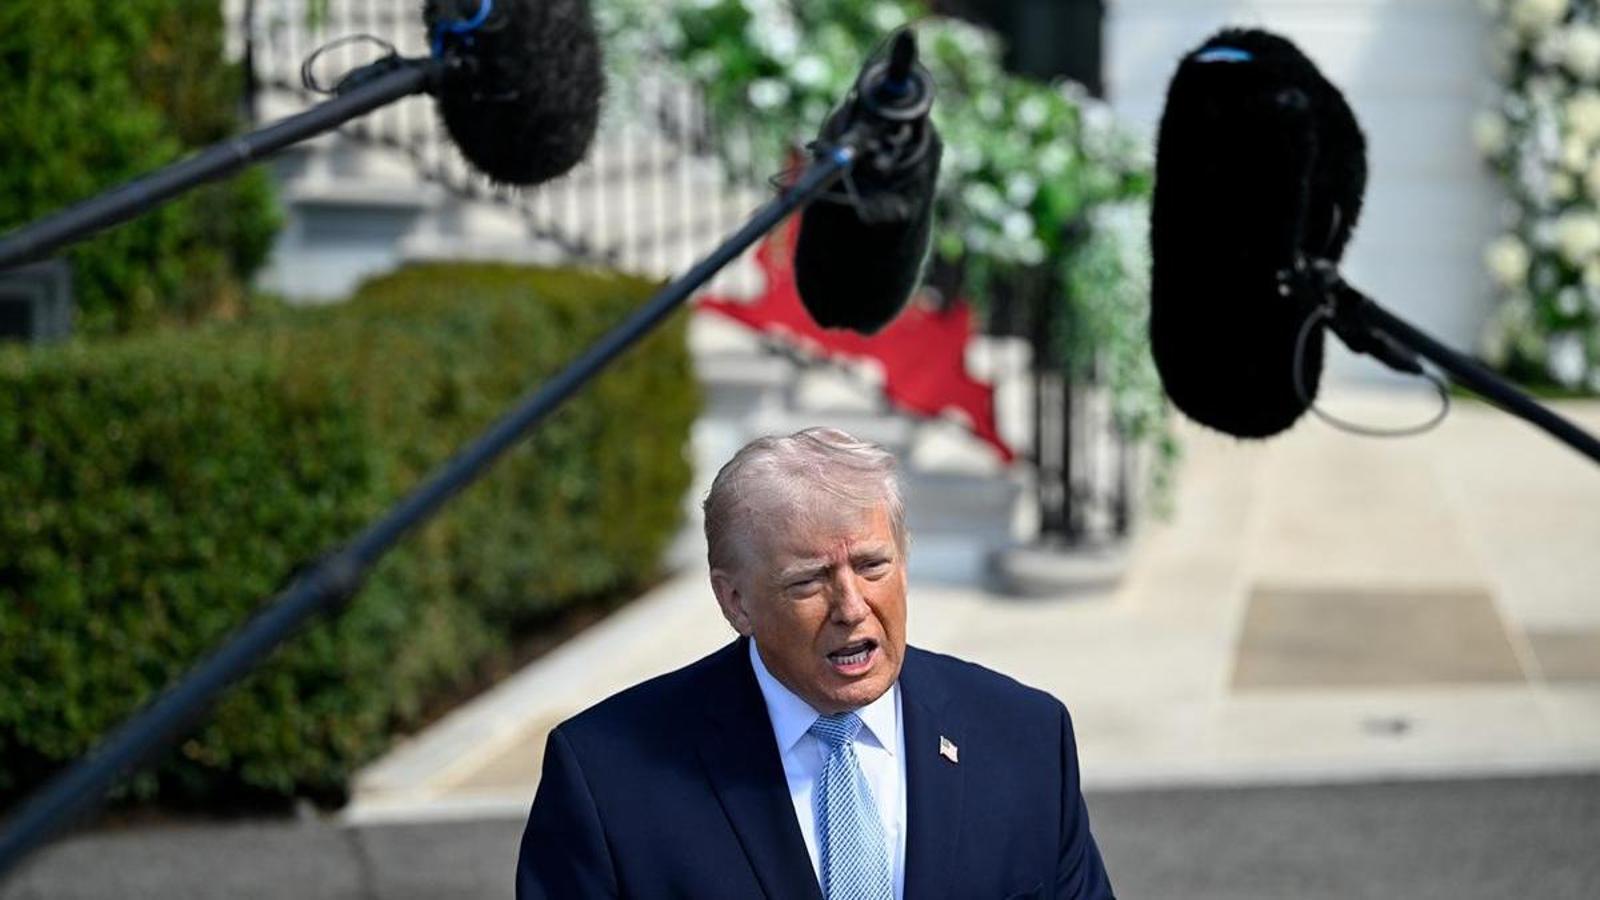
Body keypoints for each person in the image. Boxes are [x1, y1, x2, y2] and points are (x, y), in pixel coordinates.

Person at [516, 427, 1115, 899]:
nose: (852, 608)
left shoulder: (1026, 737)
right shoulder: (606, 777)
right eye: (809, 582)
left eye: (873, 567)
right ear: (735, 601)